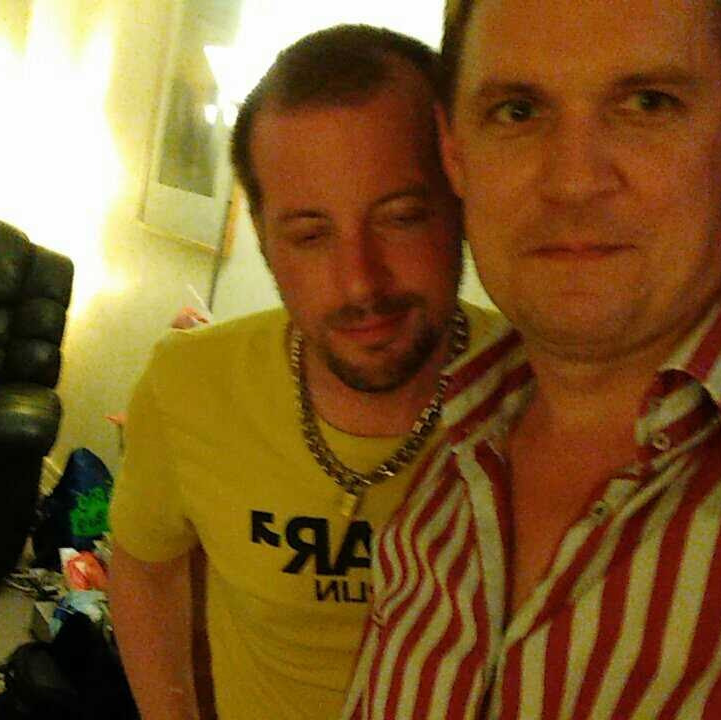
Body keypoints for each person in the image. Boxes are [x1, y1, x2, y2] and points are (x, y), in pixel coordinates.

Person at [343, 0, 721, 718]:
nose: (574, 181)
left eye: (647, 103)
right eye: (518, 112)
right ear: (455, 152)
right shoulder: (443, 474)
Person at [108, 24, 501, 720]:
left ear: (462, 201)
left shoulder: (551, 389)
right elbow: (144, 563)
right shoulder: (189, 384)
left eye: (402, 217)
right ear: (265, 241)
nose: (360, 283)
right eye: (311, 235)